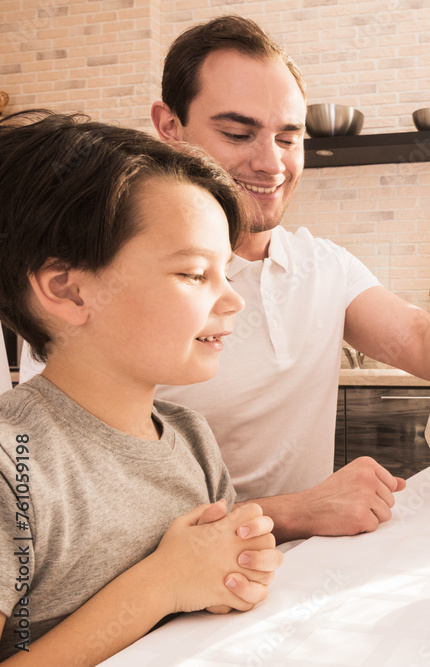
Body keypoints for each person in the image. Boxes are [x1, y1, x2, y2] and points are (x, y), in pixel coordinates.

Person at [146, 16, 430, 541]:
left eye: (289, 138)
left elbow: (423, 340)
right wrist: (293, 512)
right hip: (169, 606)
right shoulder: (125, 279)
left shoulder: (322, 267)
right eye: (238, 133)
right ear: (170, 128)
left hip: (291, 584)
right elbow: (94, 508)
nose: (272, 163)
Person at [0, 111, 283, 663]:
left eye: (227, 271)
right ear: (70, 290)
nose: (233, 300)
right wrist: (160, 585)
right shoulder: (14, 466)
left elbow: (215, 584)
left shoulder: (190, 438)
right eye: (194, 274)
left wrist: (236, 574)